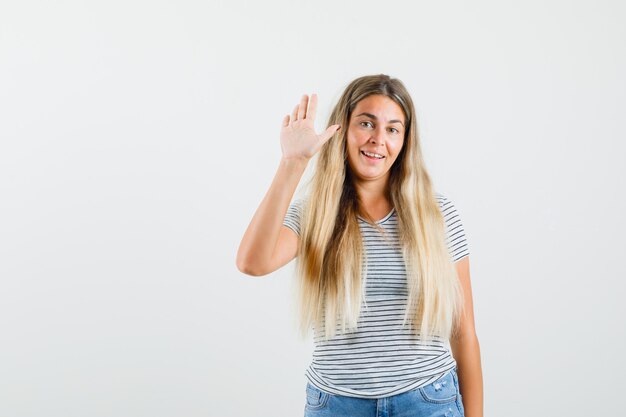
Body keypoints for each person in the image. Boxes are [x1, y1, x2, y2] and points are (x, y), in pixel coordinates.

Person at [236, 74, 483, 417]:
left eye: (393, 129)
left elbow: (464, 332)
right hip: (337, 404)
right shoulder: (314, 214)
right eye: (366, 123)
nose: (378, 139)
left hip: (426, 402)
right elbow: (252, 262)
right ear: (342, 129)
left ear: (405, 141)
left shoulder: (437, 215)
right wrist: (293, 163)